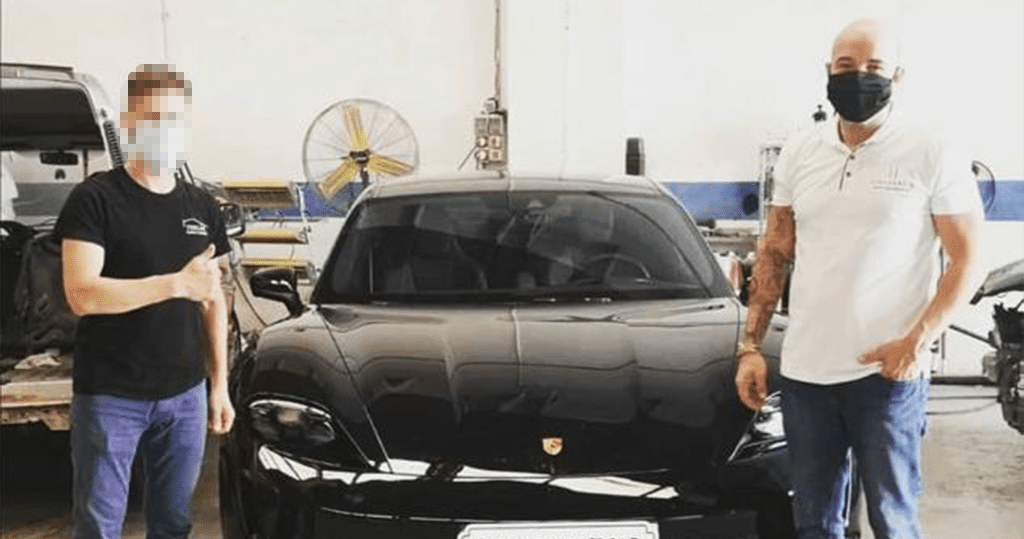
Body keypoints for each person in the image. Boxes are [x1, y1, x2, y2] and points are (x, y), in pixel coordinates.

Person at [734, 19, 984, 539]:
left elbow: (967, 260)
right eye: (846, 66)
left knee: (894, 522)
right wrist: (750, 347)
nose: (859, 77)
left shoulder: (931, 152)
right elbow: (775, 251)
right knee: (814, 524)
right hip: (807, 377)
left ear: (898, 76)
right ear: (828, 71)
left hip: (886, 378)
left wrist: (917, 343)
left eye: (874, 67)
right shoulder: (801, 151)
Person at [57, 64, 235, 539]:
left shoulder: (201, 206)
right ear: (129, 122)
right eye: (153, 117)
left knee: (173, 524)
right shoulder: (95, 199)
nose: (165, 129)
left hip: (185, 396)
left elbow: (213, 300)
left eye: (174, 119)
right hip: (110, 396)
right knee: (98, 526)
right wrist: (174, 284)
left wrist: (219, 385)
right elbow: (82, 293)